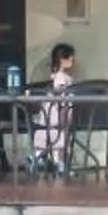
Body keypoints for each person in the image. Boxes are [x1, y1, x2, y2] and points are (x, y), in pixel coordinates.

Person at [33, 42, 77, 171]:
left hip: (53, 113)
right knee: (59, 137)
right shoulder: (61, 79)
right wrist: (64, 111)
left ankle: (42, 158)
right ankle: (59, 163)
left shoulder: (56, 78)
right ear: (63, 59)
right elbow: (62, 98)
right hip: (57, 114)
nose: (72, 60)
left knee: (51, 136)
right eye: (70, 57)